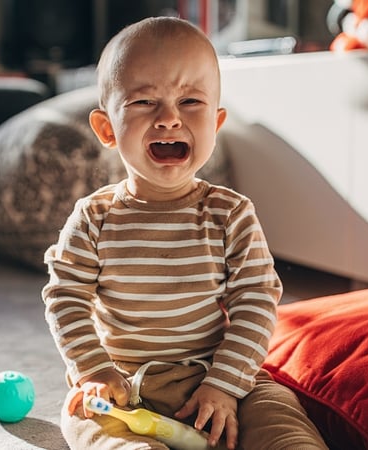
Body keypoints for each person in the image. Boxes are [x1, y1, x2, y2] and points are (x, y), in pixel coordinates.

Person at [42, 16, 328, 450]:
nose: (169, 119)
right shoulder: (94, 217)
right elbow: (65, 297)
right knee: (91, 426)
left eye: (191, 101)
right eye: (143, 103)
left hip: (214, 371)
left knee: (280, 416)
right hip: (124, 383)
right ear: (106, 129)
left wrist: (226, 386)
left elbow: (255, 302)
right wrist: (94, 370)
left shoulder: (230, 214)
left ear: (216, 122)